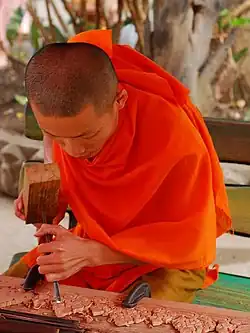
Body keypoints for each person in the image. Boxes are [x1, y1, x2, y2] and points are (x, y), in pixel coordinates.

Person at [5, 29, 232, 303]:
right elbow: (56, 162)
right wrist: (42, 195)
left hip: (165, 263)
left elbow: (190, 242)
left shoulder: (173, 136)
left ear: (120, 100)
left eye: (86, 136)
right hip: (89, 246)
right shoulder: (63, 116)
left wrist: (92, 253)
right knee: (12, 296)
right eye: (56, 136)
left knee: (131, 320)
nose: (74, 151)